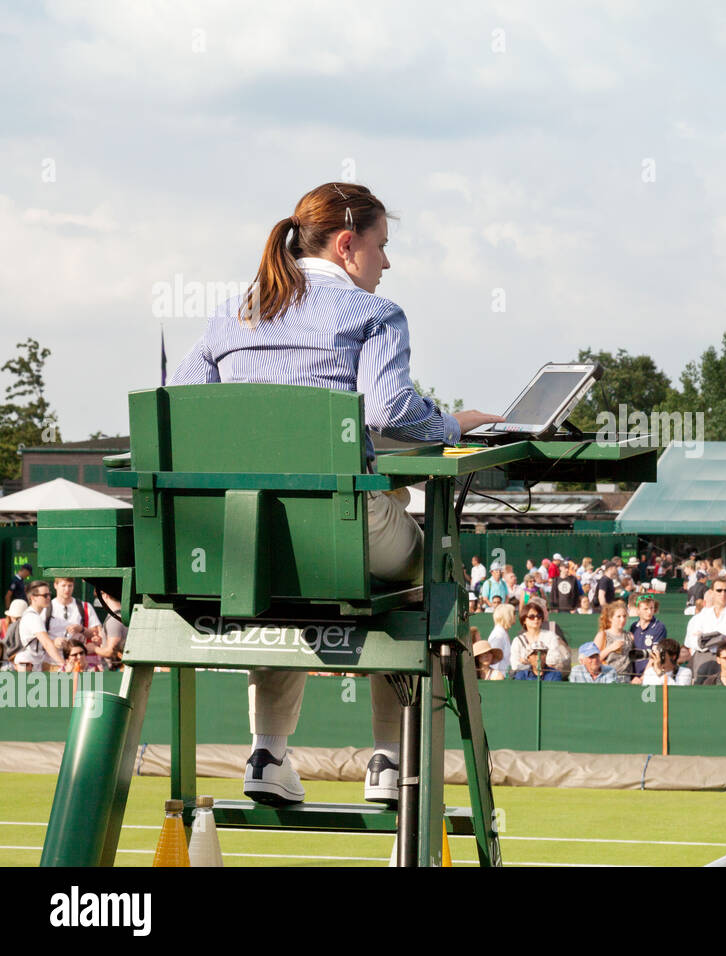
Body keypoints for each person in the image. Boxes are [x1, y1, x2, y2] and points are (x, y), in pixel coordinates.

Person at [169, 182, 503, 807]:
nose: (387, 261)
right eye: (382, 245)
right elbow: (392, 410)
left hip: (243, 538)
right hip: (346, 532)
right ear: (348, 245)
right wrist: (454, 423)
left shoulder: (232, 311)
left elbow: (182, 401)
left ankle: (267, 753)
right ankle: (389, 759)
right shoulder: (373, 313)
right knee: (428, 568)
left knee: (285, 572)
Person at [685, 574, 726, 656]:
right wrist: (721, 639)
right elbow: (692, 641)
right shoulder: (702, 615)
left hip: (725, 660)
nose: (723, 594)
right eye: (719, 590)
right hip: (702, 660)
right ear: (712, 592)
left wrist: (705, 640)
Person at [509, 601, 571, 677]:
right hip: (525, 680)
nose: (536, 619)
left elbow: (553, 660)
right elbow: (515, 665)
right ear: (524, 620)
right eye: (531, 617)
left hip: (548, 678)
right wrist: (539, 662)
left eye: (539, 616)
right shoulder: (517, 640)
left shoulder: (551, 636)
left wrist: (528, 662)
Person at [15, 580, 62, 672]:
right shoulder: (33, 617)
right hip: (26, 664)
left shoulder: (33, 615)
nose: (49, 597)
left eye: (49, 594)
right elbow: (46, 643)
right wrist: (63, 664)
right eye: (45, 595)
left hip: (33, 664)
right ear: (33, 598)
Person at [628, 595, 667, 679]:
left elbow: (655, 656)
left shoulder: (659, 627)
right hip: (633, 676)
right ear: (638, 610)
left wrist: (642, 677)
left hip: (649, 676)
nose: (649, 612)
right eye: (645, 609)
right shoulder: (634, 627)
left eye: (652, 608)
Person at [594, 600, 632, 680]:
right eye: (618, 616)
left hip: (626, 678)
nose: (622, 620)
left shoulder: (629, 636)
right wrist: (610, 648)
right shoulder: (603, 635)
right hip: (607, 677)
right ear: (610, 618)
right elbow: (593, 660)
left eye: (624, 616)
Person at [1, 599, 28, 665]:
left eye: (19, 618)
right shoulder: (2, 623)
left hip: (20, 660)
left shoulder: (28, 628)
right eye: (14, 618)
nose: (16, 621)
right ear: (9, 616)